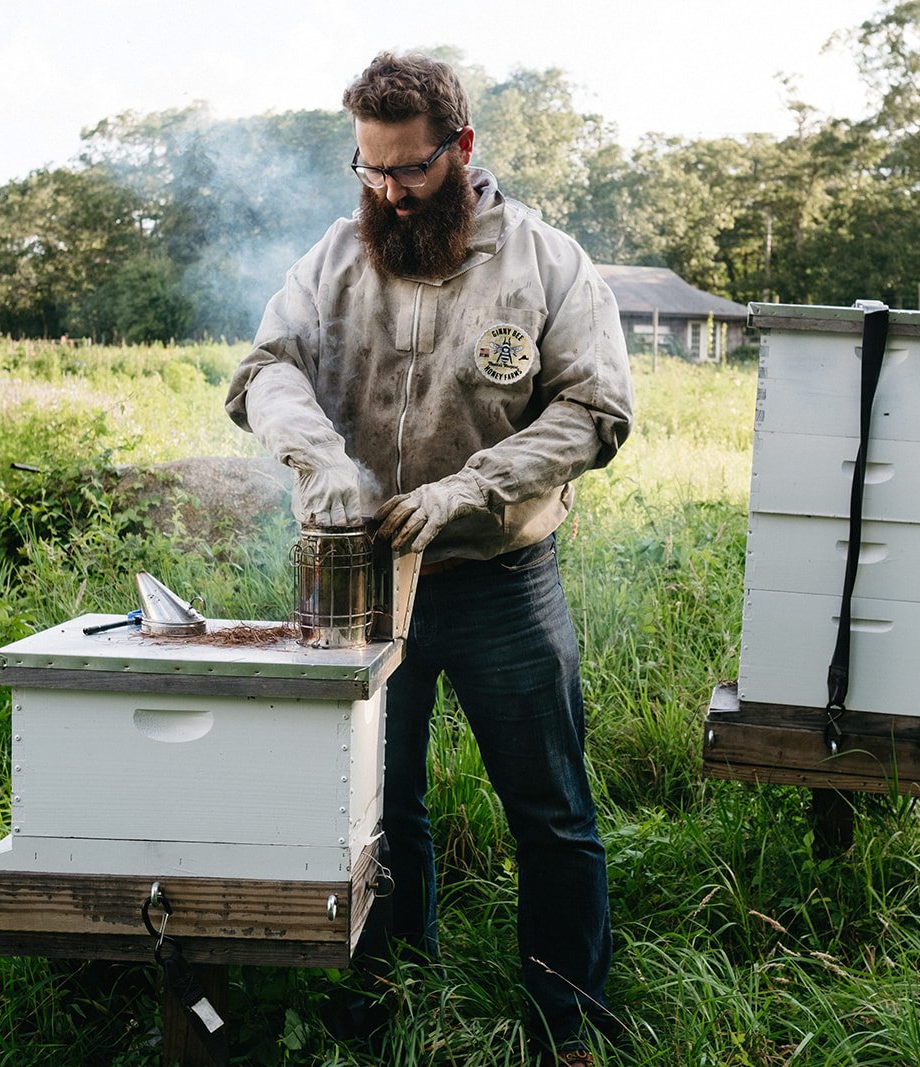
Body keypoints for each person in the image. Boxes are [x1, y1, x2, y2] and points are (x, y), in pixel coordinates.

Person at [224, 51, 633, 1065]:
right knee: (374, 807)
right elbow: (265, 366)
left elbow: (597, 408)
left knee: (550, 807)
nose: (390, 194)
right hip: (359, 579)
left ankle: (566, 1014)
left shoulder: (544, 259)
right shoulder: (335, 255)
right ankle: (388, 993)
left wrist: (469, 486)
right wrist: (315, 455)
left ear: (461, 149)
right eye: (370, 171)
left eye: (409, 170)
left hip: (500, 579)